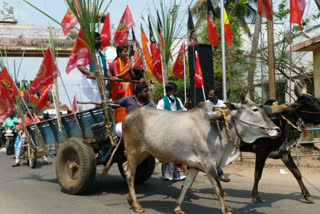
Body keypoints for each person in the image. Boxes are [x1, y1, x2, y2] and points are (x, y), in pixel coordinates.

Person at [157, 82, 187, 181]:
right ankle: (167, 175)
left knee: (178, 152)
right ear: (168, 92)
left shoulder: (178, 100)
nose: (176, 93)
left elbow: (183, 110)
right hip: (167, 131)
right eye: (174, 91)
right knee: (168, 153)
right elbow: (159, 116)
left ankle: (178, 175)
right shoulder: (162, 102)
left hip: (178, 130)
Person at [78, 32, 111, 111]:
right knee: (91, 107)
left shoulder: (101, 53)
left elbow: (106, 69)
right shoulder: (85, 51)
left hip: (101, 84)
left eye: (100, 39)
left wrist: (111, 77)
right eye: (97, 39)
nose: (100, 41)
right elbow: (79, 65)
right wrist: (89, 73)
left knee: (102, 106)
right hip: (89, 85)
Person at [206, 89, 231, 182]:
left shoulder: (222, 104)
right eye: (209, 94)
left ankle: (217, 170)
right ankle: (220, 173)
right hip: (209, 131)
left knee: (220, 151)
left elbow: (226, 114)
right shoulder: (206, 104)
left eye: (211, 95)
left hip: (221, 131)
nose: (209, 96)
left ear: (216, 96)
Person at [110, 44, 135, 123]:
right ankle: (120, 123)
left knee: (130, 104)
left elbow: (133, 76)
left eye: (127, 51)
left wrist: (130, 68)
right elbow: (117, 75)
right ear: (119, 53)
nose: (127, 53)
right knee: (121, 107)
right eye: (125, 52)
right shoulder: (116, 62)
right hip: (120, 89)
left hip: (128, 87)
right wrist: (127, 69)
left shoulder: (128, 62)